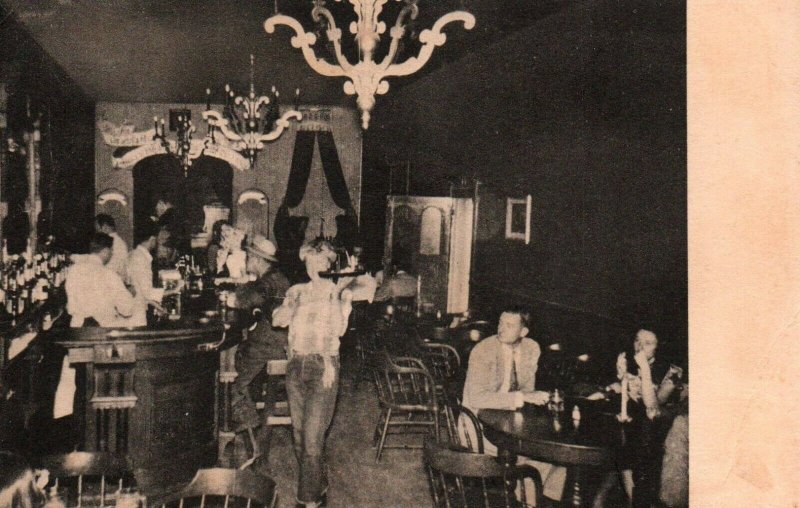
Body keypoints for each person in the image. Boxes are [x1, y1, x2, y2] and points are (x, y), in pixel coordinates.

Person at [272, 239, 355, 508]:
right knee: (299, 438)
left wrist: (335, 294)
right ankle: (318, 482)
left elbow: (339, 328)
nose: (315, 267)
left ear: (330, 264)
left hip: (323, 368)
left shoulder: (340, 293)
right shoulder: (296, 291)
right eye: (310, 261)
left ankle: (308, 501)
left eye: (321, 261)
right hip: (295, 366)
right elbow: (277, 320)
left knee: (311, 442)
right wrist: (289, 306)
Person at [460, 306, 566, 504]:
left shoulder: (531, 348)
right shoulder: (483, 350)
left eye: (509, 325)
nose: (501, 328)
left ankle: (535, 502)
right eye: (501, 323)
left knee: (560, 462)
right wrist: (522, 397)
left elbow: (527, 390)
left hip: (510, 423)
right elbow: (477, 398)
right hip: (479, 427)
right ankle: (527, 500)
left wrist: (528, 398)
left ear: (523, 332)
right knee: (535, 463)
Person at [590, 329, 683, 508]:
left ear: (659, 348)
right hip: (631, 427)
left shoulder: (673, 371)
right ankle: (603, 498)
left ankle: (613, 499)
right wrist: (618, 380)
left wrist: (645, 370)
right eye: (637, 340)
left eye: (648, 343)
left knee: (626, 441)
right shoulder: (627, 361)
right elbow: (619, 390)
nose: (639, 347)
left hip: (659, 431)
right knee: (615, 434)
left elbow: (653, 405)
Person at [230, 236, 290, 440]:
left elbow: (243, 301)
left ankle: (248, 427)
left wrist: (238, 278)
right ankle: (249, 418)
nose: (247, 260)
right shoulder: (274, 278)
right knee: (239, 355)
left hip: (271, 346)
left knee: (231, 381)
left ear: (256, 259)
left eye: (248, 257)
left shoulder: (268, 282)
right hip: (275, 343)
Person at [65, 233, 135, 328]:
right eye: (111, 250)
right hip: (102, 329)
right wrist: (130, 294)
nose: (112, 254)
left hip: (77, 328)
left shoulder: (73, 270)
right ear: (105, 251)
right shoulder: (109, 275)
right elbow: (127, 310)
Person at [127, 221, 177, 326]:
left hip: (136, 308)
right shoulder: (140, 259)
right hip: (136, 313)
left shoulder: (135, 254)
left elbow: (142, 292)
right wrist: (175, 290)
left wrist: (159, 307)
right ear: (152, 239)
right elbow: (148, 293)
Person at [95, 214, 128, 279]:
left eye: (97, 229)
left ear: (105, 227)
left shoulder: (113, 243)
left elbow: (112, 268)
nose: (97, 233)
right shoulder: (119, 242)